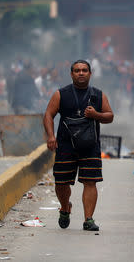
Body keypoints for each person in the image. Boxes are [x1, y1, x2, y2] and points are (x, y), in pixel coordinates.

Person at [43, 60, 114, 231]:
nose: (80, 73)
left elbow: (110, 116)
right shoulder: (61, 94)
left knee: (90, 181)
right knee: (61, 182)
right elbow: (48, 114)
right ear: (71, 74)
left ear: (90, 73)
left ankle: (88, 219)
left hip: (90, 145)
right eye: (77, 70)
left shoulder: (98, 95)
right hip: (66, 145)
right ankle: (65, 207)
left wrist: (95, 114)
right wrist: (51, 136)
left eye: (84, 70)